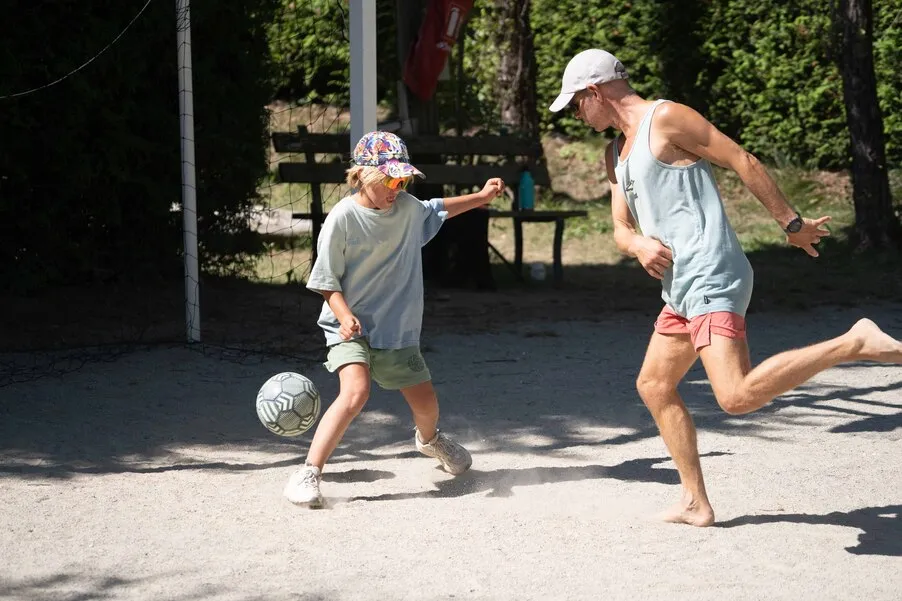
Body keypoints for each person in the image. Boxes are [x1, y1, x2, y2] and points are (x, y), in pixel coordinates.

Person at [549, 49, 902, 526]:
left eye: (576, 104)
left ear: (595, 92)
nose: (576, 115)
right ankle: (695, 502)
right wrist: (637, 245)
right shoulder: (615, 154)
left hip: (712, 270)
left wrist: (791, 223)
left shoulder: (666, 119)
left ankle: (853, 343)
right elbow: (619, 227)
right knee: (654, 384)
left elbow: (742, 159)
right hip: (679, 286)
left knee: (735, 397)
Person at [284, 130, 505, 508]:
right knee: (355, 393)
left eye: (403, 181)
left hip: (397, 329)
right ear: (362, 176)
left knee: (426, 405)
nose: (398, 188)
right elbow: (325, 280)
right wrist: (345, 316)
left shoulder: (406, 207)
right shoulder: (342, 218)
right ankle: (309, 471)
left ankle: (430, 441)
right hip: (347, 326)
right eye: (390, 180)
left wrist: (481, 198)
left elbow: (437, 208)